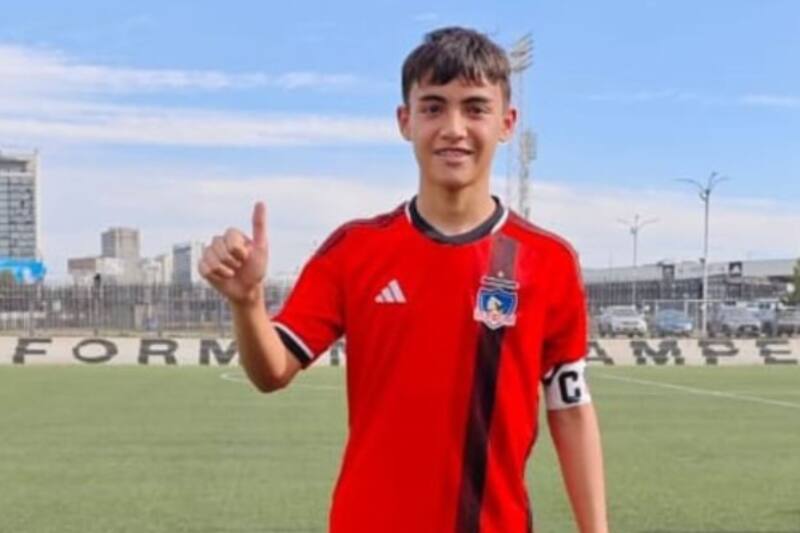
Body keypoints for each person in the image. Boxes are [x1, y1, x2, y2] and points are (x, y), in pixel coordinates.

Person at [199, 26, 608, 533]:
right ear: (405, 121)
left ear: (507, 122)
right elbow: (272, 372)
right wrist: (247, 304)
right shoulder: (354, 249)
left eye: (475, 108)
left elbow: (570, 408)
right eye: (433, 107)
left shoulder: (548, 260)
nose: (454, 128)